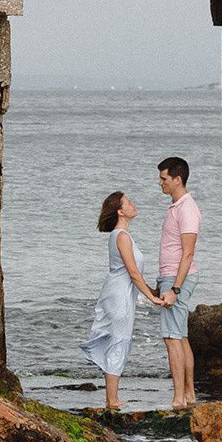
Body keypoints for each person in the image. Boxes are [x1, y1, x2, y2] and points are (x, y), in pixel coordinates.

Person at [80, 190, 162, 412]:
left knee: (118, 340)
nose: (133, 204)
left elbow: (134, 274)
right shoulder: (121, 236)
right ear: (120, 212)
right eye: (128, 202)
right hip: (118, 295)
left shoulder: (122, 235)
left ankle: (112, 398)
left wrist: (152, 289)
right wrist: (152, 297)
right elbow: (133, 273)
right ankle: (112, 400)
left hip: (120, 293)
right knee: (119, 340)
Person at [153, 156, 200, 409]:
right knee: (180, 337)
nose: (160, 183)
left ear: (177, 180)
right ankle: (189, 395)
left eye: (164, 179)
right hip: (170, 277)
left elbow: (188, 252)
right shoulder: (177, 206)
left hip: (177, 278)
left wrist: (174, 289)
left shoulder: (187, 209)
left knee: (172, 338)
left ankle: (179, 398)